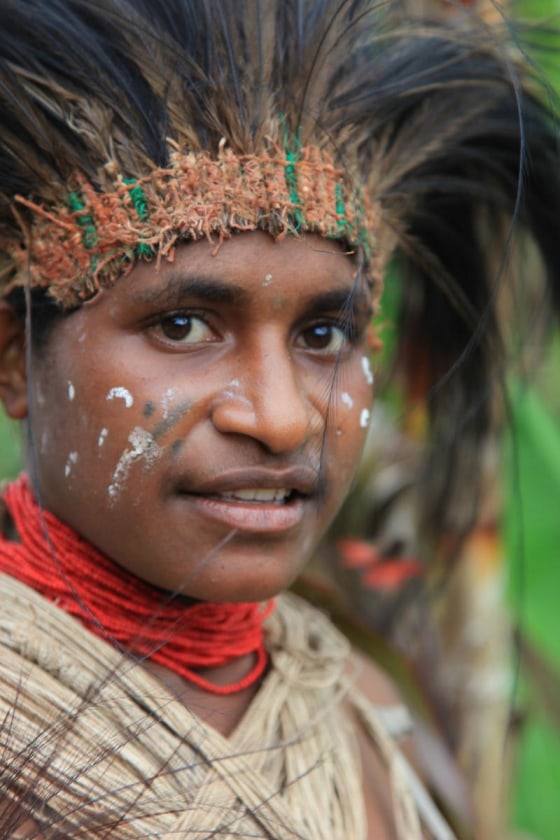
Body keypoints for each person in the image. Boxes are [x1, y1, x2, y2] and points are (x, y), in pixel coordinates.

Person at [0, 1, 558, 838]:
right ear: (14, 358)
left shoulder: (365, 722)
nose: (283, 417)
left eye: (323, 334)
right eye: (182, 325)